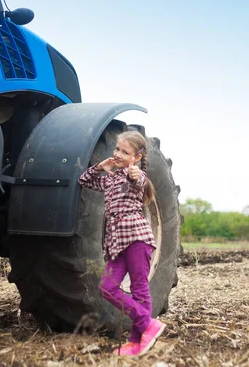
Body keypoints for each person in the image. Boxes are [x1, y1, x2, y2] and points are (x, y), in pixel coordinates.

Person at [78, 130, 166, 357]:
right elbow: (84, 180)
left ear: (136, 157)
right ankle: (148, 323)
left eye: (125, 152)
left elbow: (140, 179)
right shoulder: (109, 179)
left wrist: (134, 173)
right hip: (116, 244)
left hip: (137, 240)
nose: (118, 154)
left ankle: (138, 341)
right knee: (106, 287)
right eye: (117, 149)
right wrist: (101, 166)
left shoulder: (134, 176)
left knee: (139, 291)